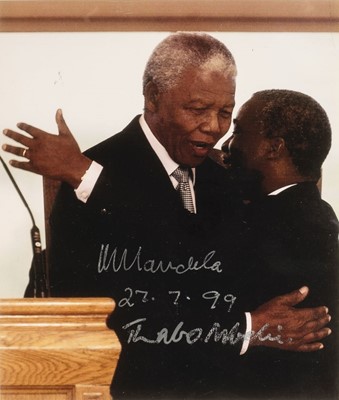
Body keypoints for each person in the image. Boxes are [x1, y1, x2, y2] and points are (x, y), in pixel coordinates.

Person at [2, 33, 331, 399]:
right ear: (153, 96)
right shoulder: (88, 181)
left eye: (225, 113)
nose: (214, 128)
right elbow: (116, 323)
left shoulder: (226, 178)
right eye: (197, 109)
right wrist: (248, 329)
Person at [222, 89, 339, 399]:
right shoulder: (317, 215)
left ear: (274, 147)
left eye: (239, 132)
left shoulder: (262, 228)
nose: (226, 144)